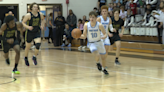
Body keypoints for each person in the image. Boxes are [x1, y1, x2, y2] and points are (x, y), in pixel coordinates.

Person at [96, 5, 115, 70]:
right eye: (103, 11)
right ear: (101, 12)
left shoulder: (109, 19)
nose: (104, 12)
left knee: (106, 50)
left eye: (105, 11)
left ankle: (103, 63)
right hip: (100, 36)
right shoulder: (99, 19)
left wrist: (112, 30)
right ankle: (99, 62)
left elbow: (110, 28)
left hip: (106, 36)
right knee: (101, 50)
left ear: (107, 12)